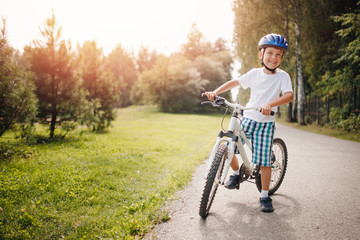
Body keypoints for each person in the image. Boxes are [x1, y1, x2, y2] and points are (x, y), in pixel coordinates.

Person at [204, 33, 293, 212]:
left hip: (265, 122)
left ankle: (265, 195)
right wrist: (215, 92)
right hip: (249, 117)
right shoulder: (254, 74)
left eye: (278, 54)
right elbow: (234, 82)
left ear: (282, 57)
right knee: (230, 146)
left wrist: (270, 104)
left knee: (264, 161)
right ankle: (236, 173)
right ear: (261, 54)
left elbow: (288, 96)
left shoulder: (283, 76)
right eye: (270, 53)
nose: (274, 58)